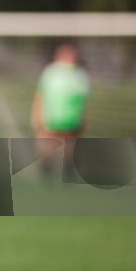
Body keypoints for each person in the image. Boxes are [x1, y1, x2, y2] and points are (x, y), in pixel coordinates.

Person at [32, 42, 90, 175]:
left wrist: (85, 119)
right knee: (46, 150)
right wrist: (37, 115)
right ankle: (46, 179)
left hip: (72, 120)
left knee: (69, 152)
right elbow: (40, 96)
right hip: (51, 119)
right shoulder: (50, 73)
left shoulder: (80, 75)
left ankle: (67, 179)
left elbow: (84, 101)